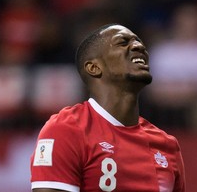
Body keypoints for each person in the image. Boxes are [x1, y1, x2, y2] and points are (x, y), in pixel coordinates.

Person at [30, 23, 186, 192]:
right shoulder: (66, 129)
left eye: (138, 41)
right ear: (94, 67)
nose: (139, 46)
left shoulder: (166, 145)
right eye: (122, 42)